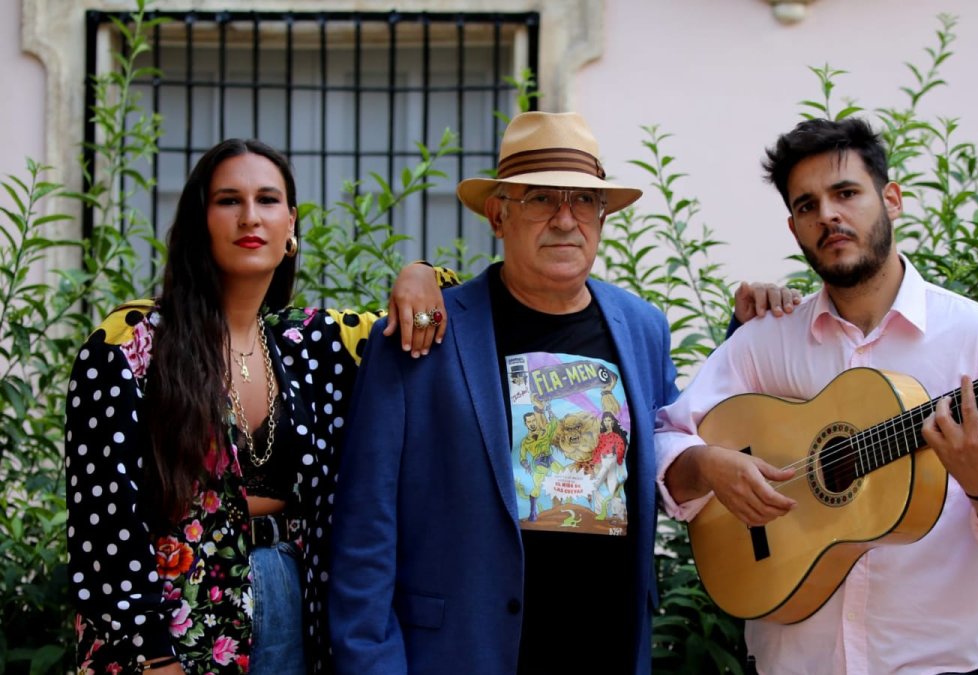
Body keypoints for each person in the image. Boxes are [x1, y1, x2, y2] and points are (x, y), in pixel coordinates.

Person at [327, 111, 797, 675]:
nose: (566, 219)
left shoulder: (641, 326)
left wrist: (751, 331)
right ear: (499, 215)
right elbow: (365, 524)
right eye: (541, 200)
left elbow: (677, 439)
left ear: (603, 218)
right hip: (463, 652)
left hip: (606, 647)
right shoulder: (425, 330)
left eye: (583, 201)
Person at [654, 117, 978, 675]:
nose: (828, 216)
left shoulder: (977, 338)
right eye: (806, 205)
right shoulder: (764, 342)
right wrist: (705, 463)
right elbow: (665, 442)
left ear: (891, 199)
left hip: (932, 664)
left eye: (846, 193)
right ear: (795, 228)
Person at [65, 138, 457, 674]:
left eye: (268, 200)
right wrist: (151, 655)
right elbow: (101, 521)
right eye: (229, 200)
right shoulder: (130, 343)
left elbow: (440, 312)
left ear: (291, 223)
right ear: (200, 220)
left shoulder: (308, 344)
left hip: (294, 601)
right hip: (171, 621)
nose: (250, 216)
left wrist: (421, 272)